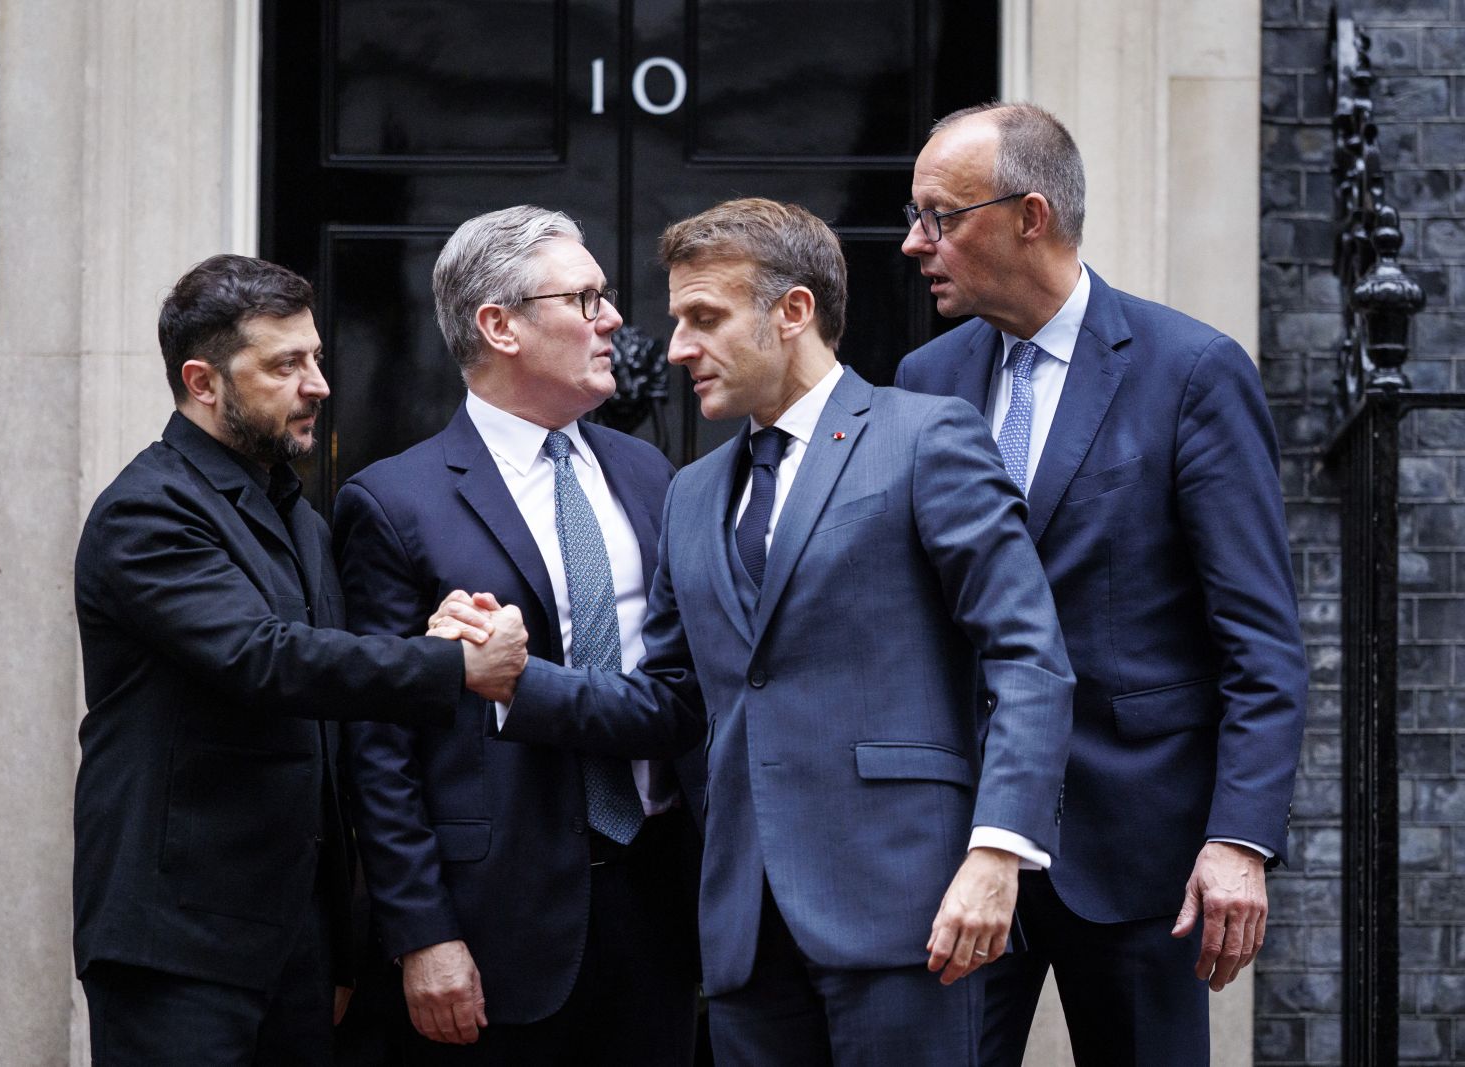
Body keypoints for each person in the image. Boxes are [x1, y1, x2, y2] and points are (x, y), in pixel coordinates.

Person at [441, 198, 1075, 1066]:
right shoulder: (691, 493)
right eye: (678, 321)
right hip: (744, 930)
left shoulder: (926, 437)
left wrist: (997, 851)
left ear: (793, 311)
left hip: (912, 911)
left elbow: (1028, 656)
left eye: (705, 318)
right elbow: (672, 701)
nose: (676, 348)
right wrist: (517, 680)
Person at [894, 102, 1308, 1065]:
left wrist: (1239, 838)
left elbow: (1260, 641)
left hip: (1138, 849)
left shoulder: (1191, 371)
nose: (915, 242)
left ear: (1029, 217)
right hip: (960, 845)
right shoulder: (921, 380)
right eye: (915, 216)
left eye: (939, 216)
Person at [71, 253, 526, 1067]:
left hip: (294, 946)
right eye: (285, 365)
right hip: (176, 945)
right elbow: (264, 659)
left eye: (314, 357)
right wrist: (449, 666)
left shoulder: (299, 518)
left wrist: (338, 943)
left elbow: (327, 702)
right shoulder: (146, 510)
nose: (317, 384)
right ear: (203, 382)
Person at [332, 207, 699, 1066]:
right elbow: (377, 745)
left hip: (660, 906)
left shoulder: (650, 474)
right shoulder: (395, 501)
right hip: (494, 920)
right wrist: (421, 932)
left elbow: (685, 683)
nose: (614, 320)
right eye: (586, 299)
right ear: (499, 326)